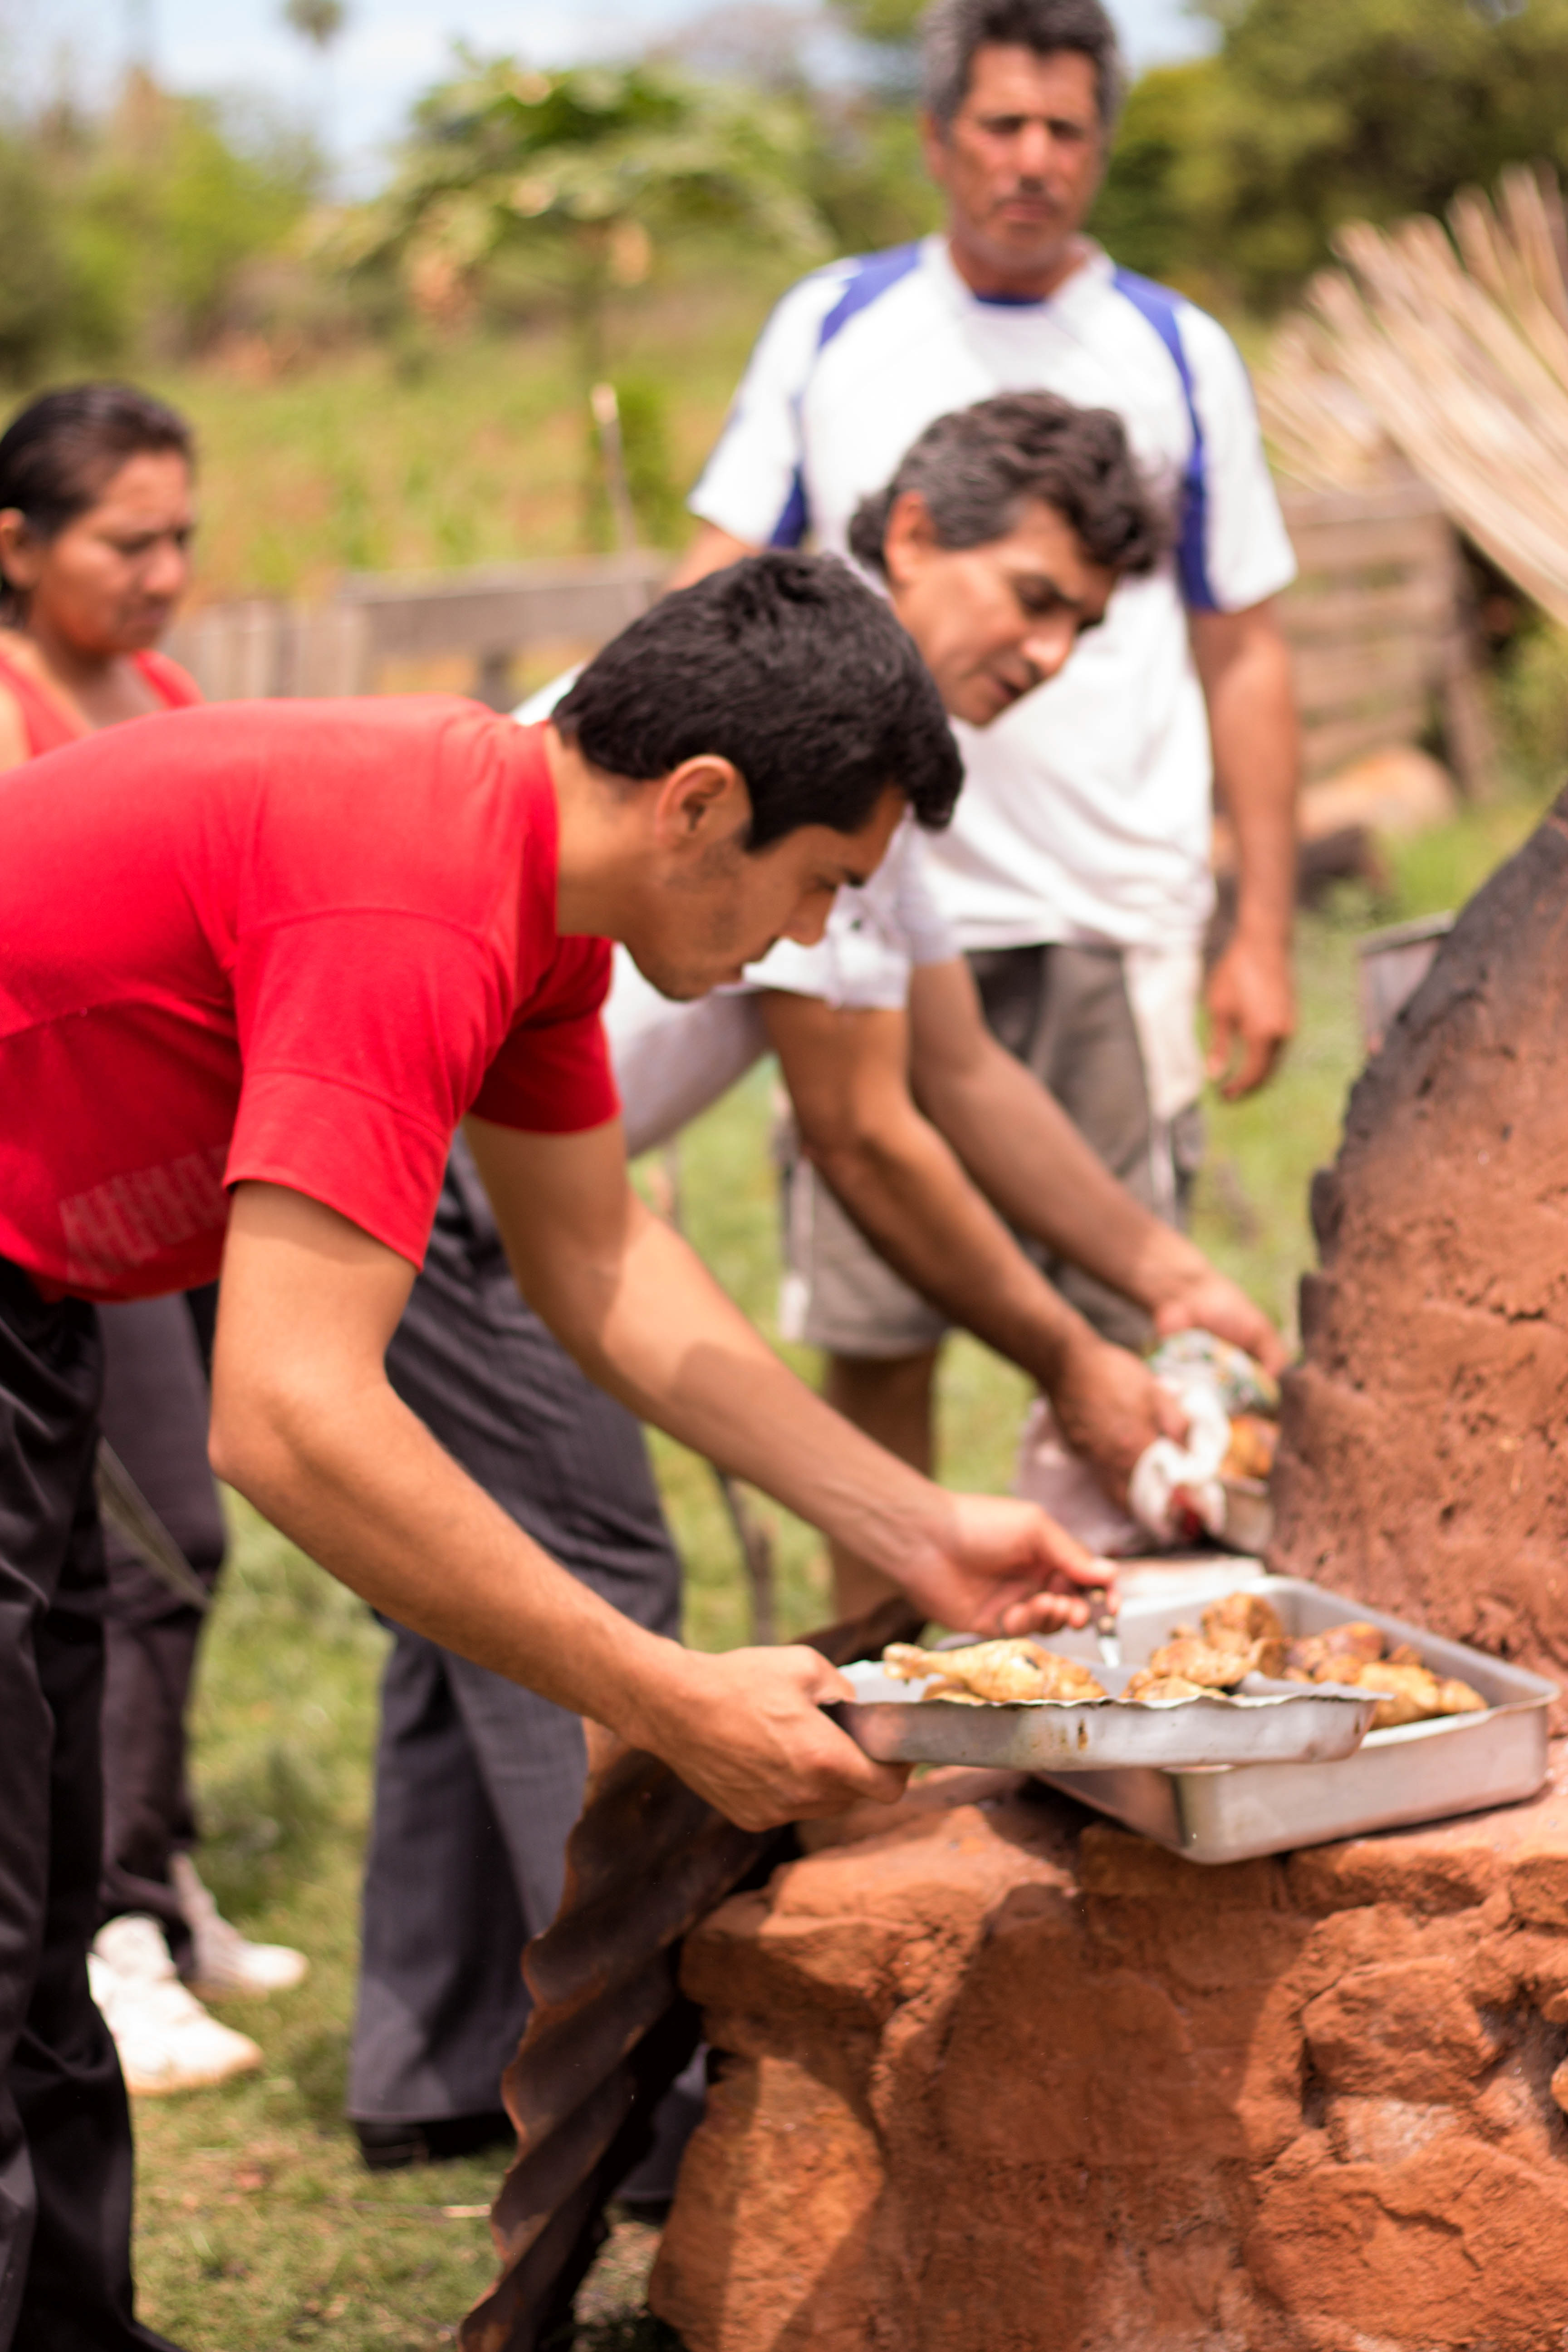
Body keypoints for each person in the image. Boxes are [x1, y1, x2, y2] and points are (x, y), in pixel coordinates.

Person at [0, 549, 1105, 2350]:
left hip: (31, 1278)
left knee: (35, 1896)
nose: (823, 936)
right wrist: (658, 1688)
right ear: (701, 804)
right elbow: (290, 1415)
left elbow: (598, 1261)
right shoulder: (416, 903)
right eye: (825, 880)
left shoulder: (531, 898)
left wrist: (912, 1526)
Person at [347, 390, 1286, 2171]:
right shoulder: (797, 739)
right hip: (470, 1173)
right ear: (915, 531)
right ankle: (638, 2114)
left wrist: (1157, 1273)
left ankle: (428, 2061)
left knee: (453, 1619)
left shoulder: (869, 756)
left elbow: (963, 1074)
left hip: (505, 1168)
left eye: (1089, 619)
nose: (1054, 647)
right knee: (589, 1584)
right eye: (1032, 593)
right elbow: (867, 1134)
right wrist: (1076, 1367)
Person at [669, 0, 1301, 1480]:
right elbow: (711, 579)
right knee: (876, 1319)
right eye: (1002, 126)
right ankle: (887, 1659)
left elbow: (1245, 643)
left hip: (1105, 901)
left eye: (1066, 130)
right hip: (842, 889)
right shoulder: (832, 323)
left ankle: (1108, 1657)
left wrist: (1259, 921)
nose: (1033, 160)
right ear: (938, 138)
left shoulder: (1172, 346)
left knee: (1123, 1319)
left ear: (1102, 147)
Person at [0, 382, 306, 2105]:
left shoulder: (165, 693)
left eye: (185, 535)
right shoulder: (10, 708)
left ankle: (156, 1873)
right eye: (131, 541)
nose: (169, 572)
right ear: (18, 547)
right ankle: (104, 1931)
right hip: (48, 1196)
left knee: (180, 1548)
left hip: (174, 1183)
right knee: (142, 1543)